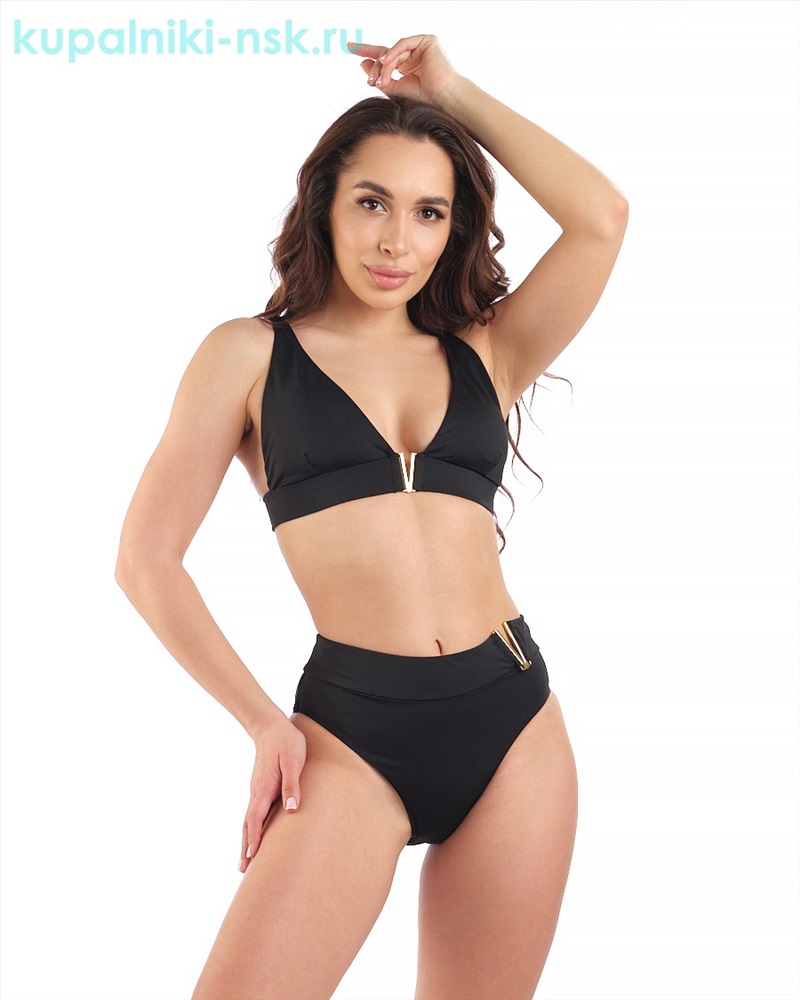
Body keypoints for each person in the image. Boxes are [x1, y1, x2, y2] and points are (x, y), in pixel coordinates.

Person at [115, 34, 628, 1000]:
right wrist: (263, 722)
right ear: (325, 204)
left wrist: (450, 92)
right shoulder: (248, 356)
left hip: (514, 721)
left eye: (429, 212)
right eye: (372, 203)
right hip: (353, 736)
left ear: (453, 228)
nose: (398, 242)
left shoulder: (486, 350)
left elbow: (601, 217)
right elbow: (146, 559)